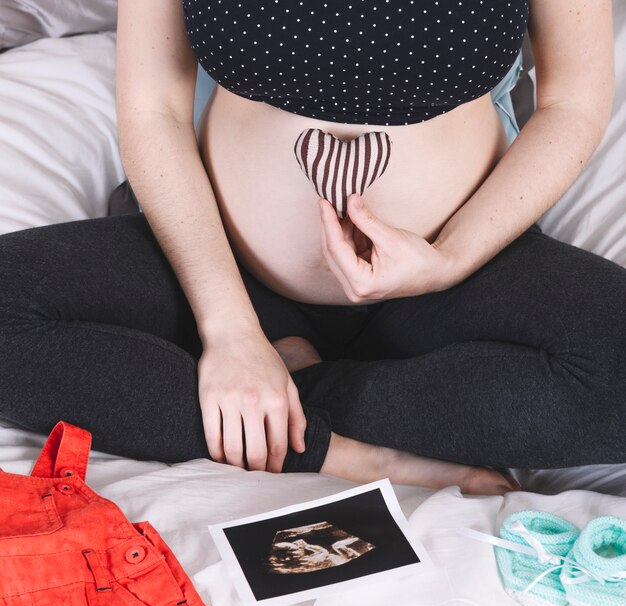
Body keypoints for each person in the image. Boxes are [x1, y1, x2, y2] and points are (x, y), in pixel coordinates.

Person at [0, 0, 624, 496]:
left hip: (455, 279)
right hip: (220, 273)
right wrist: (232, 334)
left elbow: (571, 102)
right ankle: (335, 448)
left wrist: (449, 259)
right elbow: (152, 107)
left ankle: (300, 393)